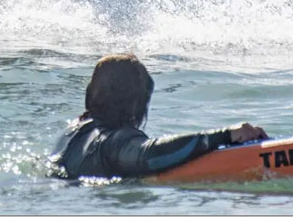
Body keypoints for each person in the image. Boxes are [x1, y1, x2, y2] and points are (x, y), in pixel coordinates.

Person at [48, 54, 268, 179]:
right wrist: (226, 135)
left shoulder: (72, 131)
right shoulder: (116, 142)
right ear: (135, 101)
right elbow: (151, 155)